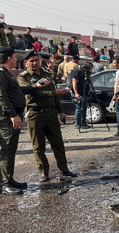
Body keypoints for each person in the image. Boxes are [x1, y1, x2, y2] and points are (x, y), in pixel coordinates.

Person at [17, 50, 76, 182]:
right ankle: (44, 171)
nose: (34, 63)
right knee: (38, 146)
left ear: (40, 61)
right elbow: (33, 94)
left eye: (36, 60)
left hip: (50, 113)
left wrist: (61, 110)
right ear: (26, 62)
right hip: (35, 114)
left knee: (58, 143)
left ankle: (64, 169)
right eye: (31, 61)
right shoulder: (23, 77)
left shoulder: (47, 74)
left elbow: (55, 97)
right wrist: (53, 91)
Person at [0, 47, 27, 194]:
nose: (17, 59)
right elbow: (2, 96)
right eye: (15, 57)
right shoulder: (1, 73)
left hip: (10, 116)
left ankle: (8, 179)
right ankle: (5, 184)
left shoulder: (6, 74)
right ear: (9, 58)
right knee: (7, 149)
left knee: (10, 149)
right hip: (6, 118)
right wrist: (13, 115)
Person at [68, 56, 89, 128]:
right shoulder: (78, 72)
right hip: (77, 92)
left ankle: (83, 123)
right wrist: (76, 93)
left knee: (84, 108)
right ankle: (77, 123)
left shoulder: (85, 74)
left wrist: (89, 76)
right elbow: (74, 83)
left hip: (84, 93)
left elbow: (88, 82)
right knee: (79, 108)